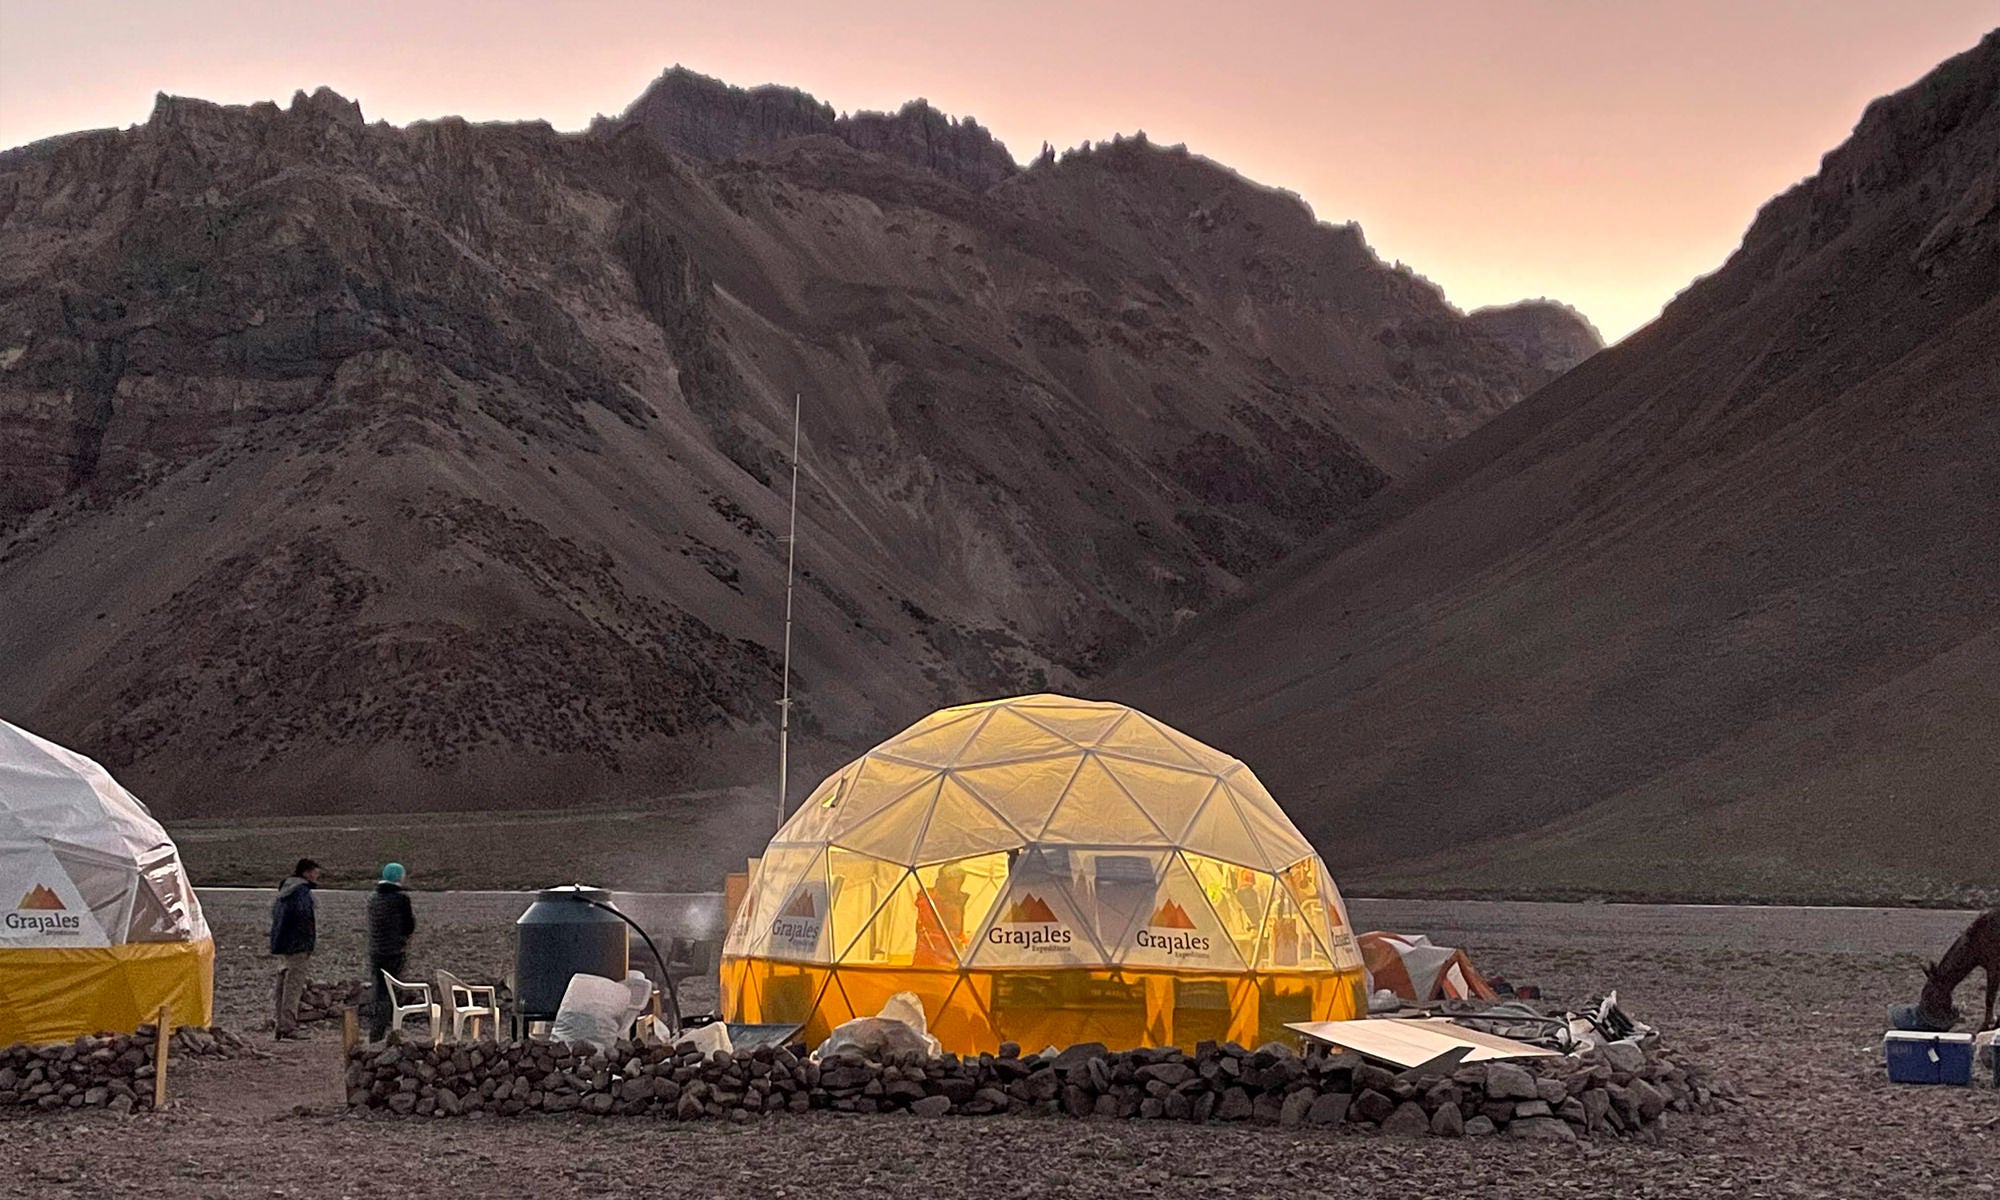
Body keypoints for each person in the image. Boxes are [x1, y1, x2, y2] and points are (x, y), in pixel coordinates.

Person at [268, 858, 320, 1040]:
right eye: (314, 872)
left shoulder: (285, 891)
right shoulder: (301, 893)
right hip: (298, 944)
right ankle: (288, 1026)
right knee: (293, 986)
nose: (317, 876)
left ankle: (281, 1023)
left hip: (283, 943)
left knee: (283, 984)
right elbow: (304, 919)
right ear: (306, 872)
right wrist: (308, 943)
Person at [366, 862, 417, 1042]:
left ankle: (375, 1031)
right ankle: (382, 1033)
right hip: (394, 952)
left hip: (375, 951)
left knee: (378, 991)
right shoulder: (401, 899)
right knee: (390, 993)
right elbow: (409, 925)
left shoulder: (373, 898)